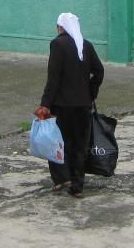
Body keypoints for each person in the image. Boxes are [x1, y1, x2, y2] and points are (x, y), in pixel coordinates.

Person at [34, 12, 104, 198]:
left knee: (57, 143)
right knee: (79, 146)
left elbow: (54, 77)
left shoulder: (57, 44)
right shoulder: (86, 45)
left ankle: (61, 178)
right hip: (82, 106)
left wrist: (45, 103)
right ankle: (77, 186)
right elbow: (99, 71)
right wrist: (90, 93)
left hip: (62, 106)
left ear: (61, 27)